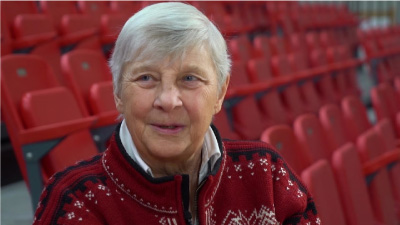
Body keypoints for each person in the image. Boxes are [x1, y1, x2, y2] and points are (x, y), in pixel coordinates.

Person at [33, 2, 320, 225]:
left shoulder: (266, 174)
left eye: (190, 79)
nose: (168, 101)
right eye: (146, 78)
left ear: (219, 93)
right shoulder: (76, 201)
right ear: (119, 93)